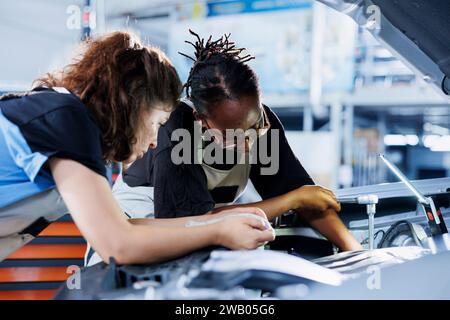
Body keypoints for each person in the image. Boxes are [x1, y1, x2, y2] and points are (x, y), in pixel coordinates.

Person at [0, 31, 275, 264]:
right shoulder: (67, 117)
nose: (156, 140)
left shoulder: (67, 129)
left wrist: (216, 224)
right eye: (157, 122)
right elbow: (117, 244)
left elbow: (125, 228)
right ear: (133, 104)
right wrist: (216, 232)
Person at [113, 30, 362, 253]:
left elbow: (309, 200)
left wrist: (356, 253)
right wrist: (292, 200)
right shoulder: (177, 129)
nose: (248, 143)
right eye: (233, 135)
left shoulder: (265, 125)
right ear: (202, 120)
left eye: (255, 126)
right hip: (130, 246)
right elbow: (192, 221)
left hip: (195, 244)